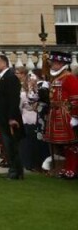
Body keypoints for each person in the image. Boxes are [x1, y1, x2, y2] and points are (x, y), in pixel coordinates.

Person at [43, 50, 78, 179]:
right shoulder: (55, 78)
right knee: (63, 144)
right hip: (55, 112)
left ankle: (72, 169)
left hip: (66, 113)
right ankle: (68, 167)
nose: (52, 65)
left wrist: (75, 116)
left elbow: (75, 98)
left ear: (62, 63)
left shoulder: (69, 77)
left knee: (72, 143)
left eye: (55, 63)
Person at [0, 55, 23, 180]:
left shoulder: (10, 78)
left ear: (4, 63)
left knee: (11, 144)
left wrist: (12, 117)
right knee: (7, 145)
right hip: (1, 115)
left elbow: (13, 99)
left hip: (8, 117)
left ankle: (16, 171)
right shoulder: (2, 77)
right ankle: (13, 169)